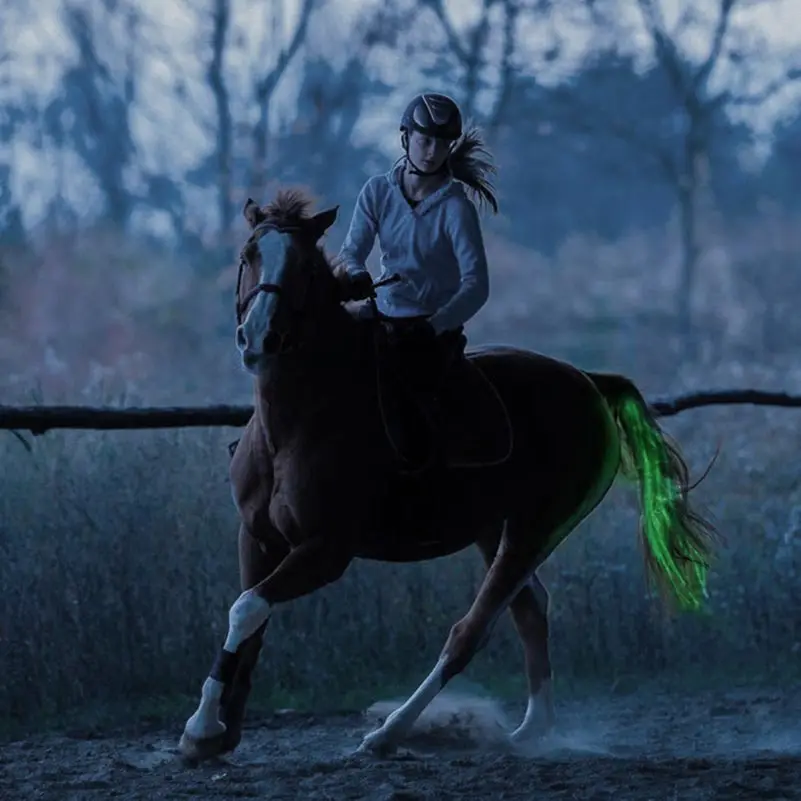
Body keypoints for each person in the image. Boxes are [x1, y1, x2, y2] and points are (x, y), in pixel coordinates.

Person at [337, 91, 499, 468]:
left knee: (419, 414)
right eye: (425, 140)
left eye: (443, 144)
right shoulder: (376, 191)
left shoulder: (457, 210)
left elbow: (476, 284)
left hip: (428, 334)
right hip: (379, 316)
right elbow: (350, 251)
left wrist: (437, 324)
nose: (432, 151)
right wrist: (357, 274)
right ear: (405, 137)